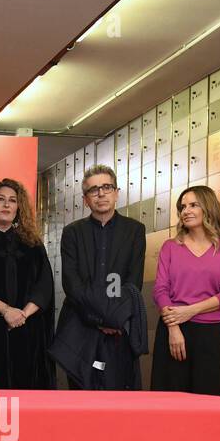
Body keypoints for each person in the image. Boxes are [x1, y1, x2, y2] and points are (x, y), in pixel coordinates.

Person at [50, 164, 148, 390]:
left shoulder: (135, 230)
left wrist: (114, 319)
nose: (101, 194)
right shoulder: (73, 233)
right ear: (85, 199)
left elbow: (133, 282)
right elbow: (72, 284)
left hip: (119, 330)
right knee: (82, 395)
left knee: (119, 394)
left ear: (116, 193)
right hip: (81, 327)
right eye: (94, 190)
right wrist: (99, 320)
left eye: (106, 187)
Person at [150, 186, 220, 395]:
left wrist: (191, 310)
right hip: (173, 330)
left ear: (207, 208)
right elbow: (160, 290)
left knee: (208, 401)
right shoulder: (170, 246)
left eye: (193, 205)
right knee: (170, 401)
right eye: (182, 207)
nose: (185, 211)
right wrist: (173, 328)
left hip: (210, 334)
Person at [0, 179, 55, 389]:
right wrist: (5, 310)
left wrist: (22, 314)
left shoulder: (33, 244)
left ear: (19, 207)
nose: (6, 205)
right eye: (1, 199)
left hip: (26, 330)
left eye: (12, 201)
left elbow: (45, 286)